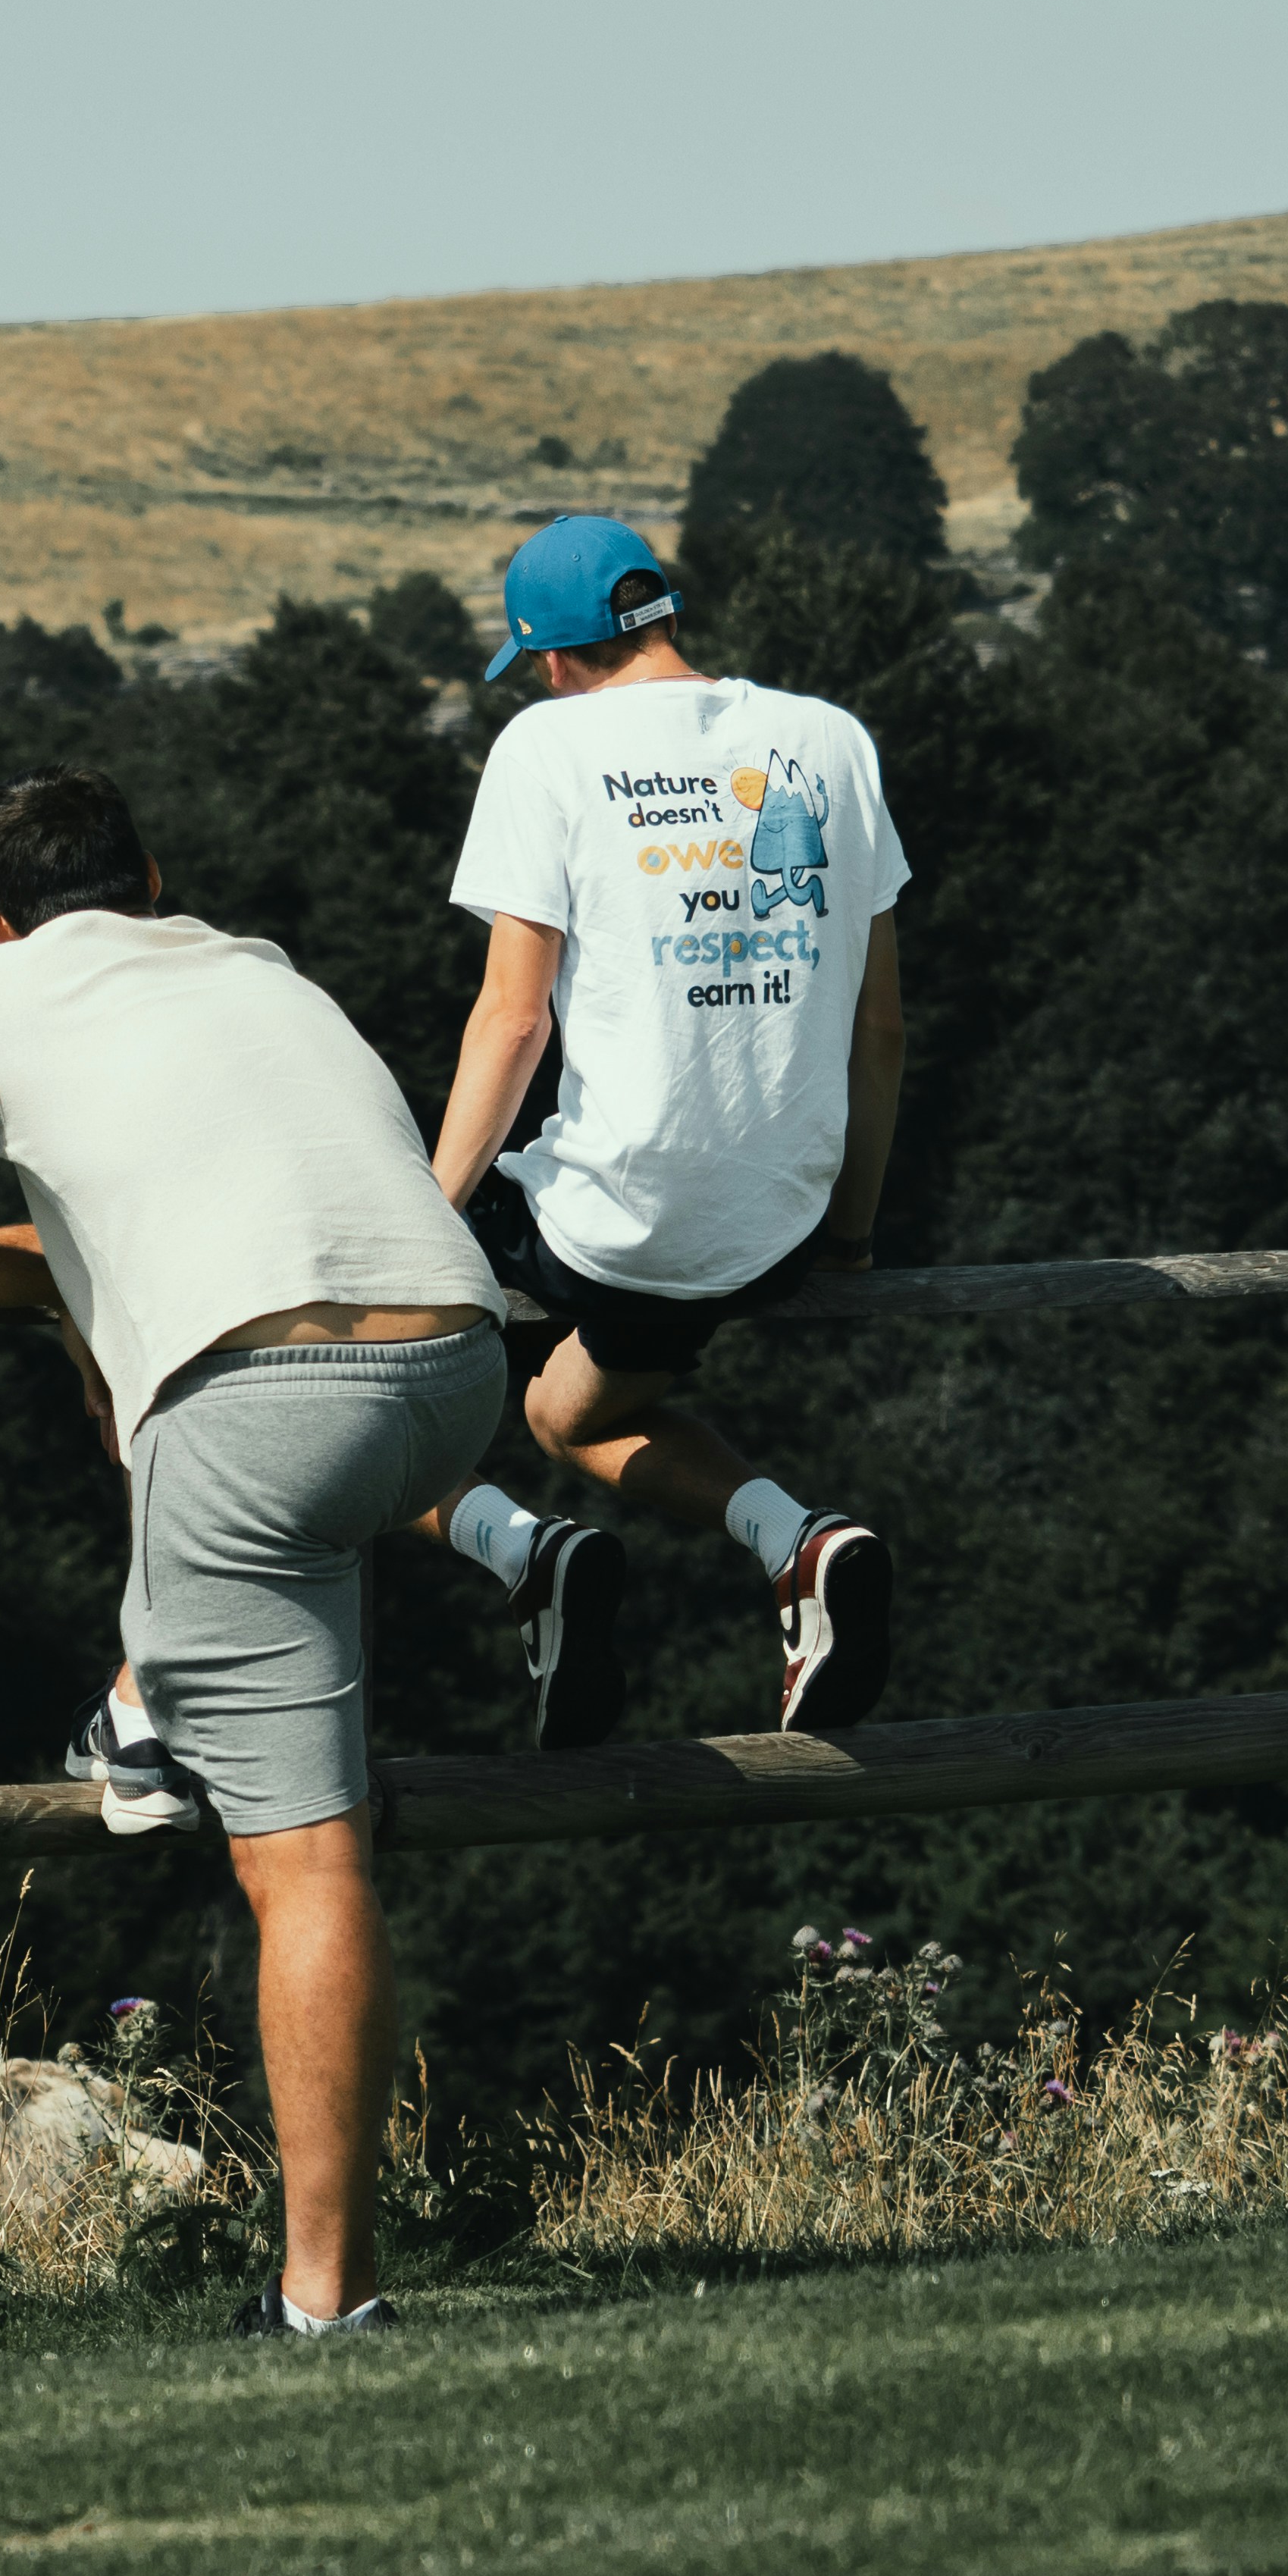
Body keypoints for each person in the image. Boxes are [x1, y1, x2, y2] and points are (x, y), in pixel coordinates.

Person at [0, 765, 502, 2339]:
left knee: (309, 1864)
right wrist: (49, 1264)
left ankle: (328, 2294)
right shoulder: (252, 963)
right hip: (458, 1361)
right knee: (266, 1609)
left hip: (258, 1404)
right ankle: (152, 1706)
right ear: (154, 877)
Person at [422, 513, 911, 1741]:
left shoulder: (547, 746)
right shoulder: (828, 740)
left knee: (451, 1385)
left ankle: (546, 1553)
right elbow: (882, 1027)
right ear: (665, 615)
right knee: (576, 1394)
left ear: (550, 655)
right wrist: (846, 1236)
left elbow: (513, 1024)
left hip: (631, 1223)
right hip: (788, 1213)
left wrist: (418, 1220)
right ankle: (802, 1545)